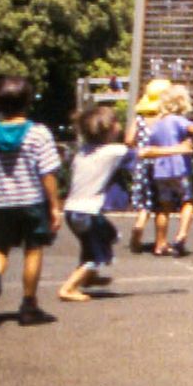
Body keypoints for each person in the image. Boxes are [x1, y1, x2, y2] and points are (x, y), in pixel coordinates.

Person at [0, 77, 64, 326]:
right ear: (28, 102)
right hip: (32, 202)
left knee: (0, 249)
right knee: (33, 250)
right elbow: (47, 173)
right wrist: (54, 205)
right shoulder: (38, 133)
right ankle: (29, 305)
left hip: (3, 203)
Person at [136, 84, 193, 257]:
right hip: (179, 168)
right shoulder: (178, 120)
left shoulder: (156, 125)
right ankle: (181, 234)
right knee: (187, 201)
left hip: (161, 171)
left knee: (164, 207)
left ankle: (160, 243)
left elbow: (151, 147)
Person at [56, 106, 136, 303]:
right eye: (117, 122)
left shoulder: (82, 151)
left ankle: (89, 277)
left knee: (105, 236)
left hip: (72, 210)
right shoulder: (114, 151)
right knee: (97, 254)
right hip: (88, 212)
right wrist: (178, 149)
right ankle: (69, 288)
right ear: (110, 129)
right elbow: (146, 152)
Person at [126, 79, 171, 253]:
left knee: (145, 202)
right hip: (161, 164)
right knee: (162, 205)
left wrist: (138, 148)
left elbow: (129, 140)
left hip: (142, 164)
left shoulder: (139, 120)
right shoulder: (165, 120)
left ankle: (138, 226)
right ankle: (161, 241)